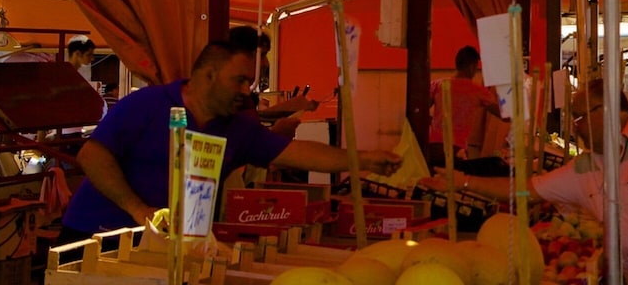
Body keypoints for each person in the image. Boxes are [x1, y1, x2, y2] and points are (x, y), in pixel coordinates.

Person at [64, 40, 401, 240]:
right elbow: (92, 155)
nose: (246, 90)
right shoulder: (148, 103)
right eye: (239, 80)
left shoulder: (237, 128)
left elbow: (298, 153)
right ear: (208, 75)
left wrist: (363, 159)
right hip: (94, 234)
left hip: (165, 247)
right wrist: (137, 209)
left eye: (249, 82)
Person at [431, 78, 628, 284]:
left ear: (607, 110)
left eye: (580, 118)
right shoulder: (585, 167)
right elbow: (526, 191)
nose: (576, 128)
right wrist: (464, 183)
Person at [430, 46, 504, 159]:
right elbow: (503, 115)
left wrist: (432, 121)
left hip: (434, 147)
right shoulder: (477, 90)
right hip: (458, 150)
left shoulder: (438, 85)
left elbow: (420, 109)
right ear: (471, 67)